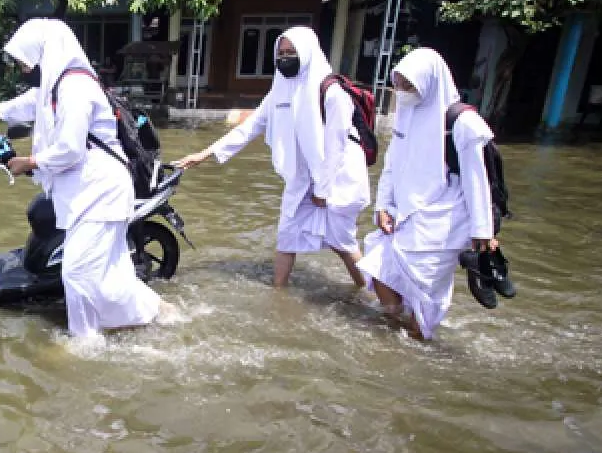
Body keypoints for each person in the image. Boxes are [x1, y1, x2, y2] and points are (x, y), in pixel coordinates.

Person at [0, 19, 163, 338]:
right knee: (110, 273)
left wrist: (29, 162)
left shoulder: (76, 87)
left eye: (24, 60)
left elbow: (70, 149)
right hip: (86, 192)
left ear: (43, 53)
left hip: (100, 192)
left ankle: (85, 342)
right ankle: (157, 314)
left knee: (77, 272)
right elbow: (29, 102)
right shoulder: (57, 85)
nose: (22, 68)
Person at [175, 26, 370, 288]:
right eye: (281, 53)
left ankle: (370, 294)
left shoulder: (332, 94)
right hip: (301, 177)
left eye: (291, 52)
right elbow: (251, 126)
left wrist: (323, 190)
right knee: (287, 236)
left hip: (335, 179)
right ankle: (279, 293)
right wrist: (206, 153)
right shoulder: (280, 89)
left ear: (307, 53)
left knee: (342, 242)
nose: (285, 58)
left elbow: (336, 148)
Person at [356, 47, 498, 339]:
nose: (403, 91)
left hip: (442, 224)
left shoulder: (463, 124)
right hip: (403, 216)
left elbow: (477, 179)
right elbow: (392, 165)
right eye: (399, 83)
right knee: (379, 264)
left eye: (409, 85)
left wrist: (482, 230)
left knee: (425, 294)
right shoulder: (406, 114)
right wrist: (382, 205)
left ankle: (419, 344)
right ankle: (396, 329)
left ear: (429, 83)